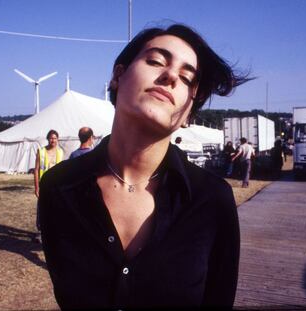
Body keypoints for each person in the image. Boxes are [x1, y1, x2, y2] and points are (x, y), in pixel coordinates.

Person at [39, 24, 250, 309]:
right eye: (155, 61)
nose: (171, 75)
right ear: (117, 76)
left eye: (188, 78)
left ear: (188, 113)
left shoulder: (212, 199)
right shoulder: (60, 187)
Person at [33, 129, 63, 242]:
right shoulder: (41, 151)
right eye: (51, 138)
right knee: (42, 208)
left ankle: (53, 231)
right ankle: (40, 232)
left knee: (55, 208)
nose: (53, 140)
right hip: (43, 184)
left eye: (55, 138)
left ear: (58, 139)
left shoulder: (60, 152)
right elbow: (36, 170)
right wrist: (36, 187)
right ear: (48, 139)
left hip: (56, 185)